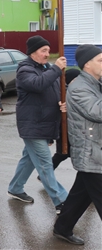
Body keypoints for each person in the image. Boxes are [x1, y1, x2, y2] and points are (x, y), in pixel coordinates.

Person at [7, 35, 68, 214]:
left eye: (48, 50)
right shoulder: (25, 70)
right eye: (43, 51)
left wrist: (62, 103)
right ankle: (61, 201)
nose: (47, 54)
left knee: (29, 159)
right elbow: (39, 85)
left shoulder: (46, 69)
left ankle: (16, 188)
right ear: (33, 53)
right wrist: (56, 68)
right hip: (32, 125)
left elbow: (55, 90)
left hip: (44, 124)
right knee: (44, 163)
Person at [53, 45, 102, 246]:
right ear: (87, 64)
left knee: (81, 195)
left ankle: (62, 228)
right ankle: (62, 228)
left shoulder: (95, 83)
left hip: (94, 151)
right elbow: (96, 112)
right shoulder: (79, 87)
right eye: (100, 60)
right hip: (91, 152)